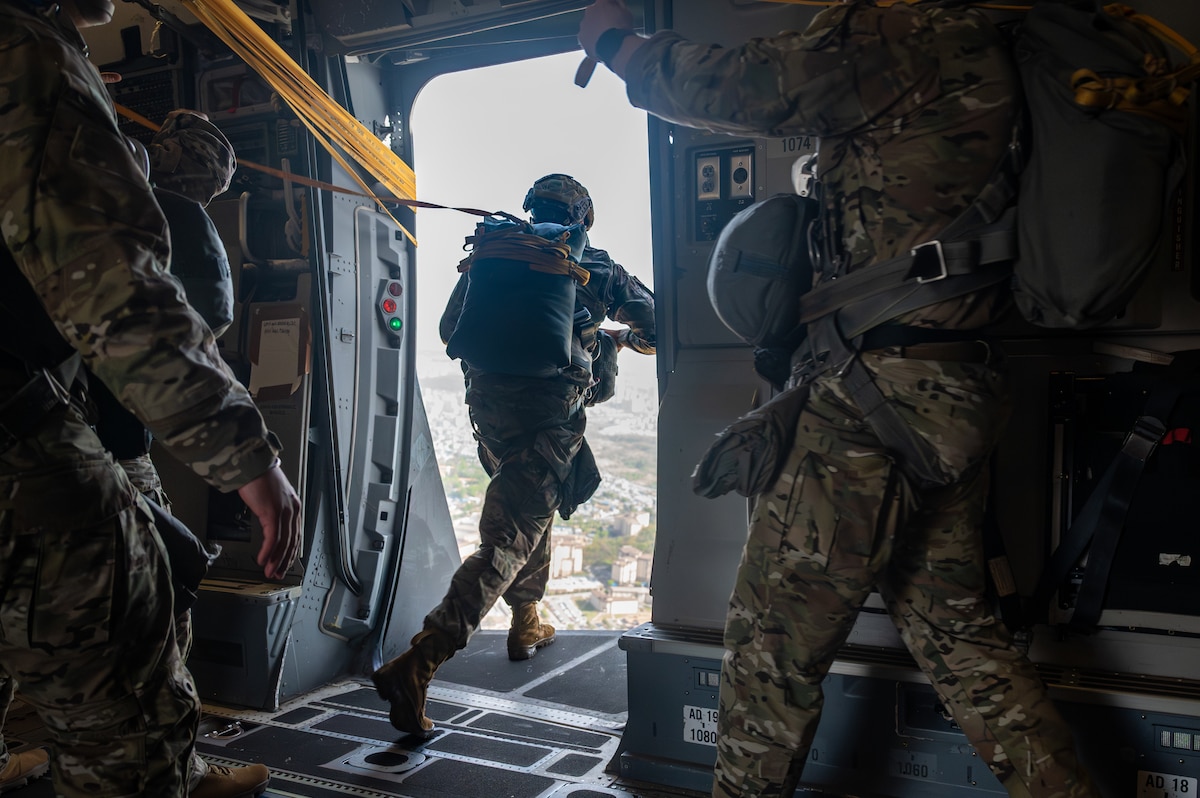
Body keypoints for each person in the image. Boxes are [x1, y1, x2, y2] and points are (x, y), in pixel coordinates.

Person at [577, 1, 1098, 797]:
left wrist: (617, 44)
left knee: (767, 656)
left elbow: (746, 86)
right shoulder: (994, 38)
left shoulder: (901, 33)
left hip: (869, 404)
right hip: (954, 389)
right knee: (963, 644)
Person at [0, 0, 302, 796]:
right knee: (129, 676)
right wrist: (245, 454)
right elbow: (116, 288)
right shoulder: (25, 49)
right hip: (42, 432)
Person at [372, 173, 655, 736]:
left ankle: (526, 621)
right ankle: (420, 661)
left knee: (529, 511)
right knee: (510, 536)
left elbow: (452, 328)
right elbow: (657, 326)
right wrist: (614, 337)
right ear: (584, 217)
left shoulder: (496, 254)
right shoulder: (597, 267)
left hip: (490, 416)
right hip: (551, 417)